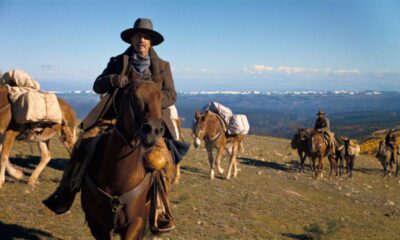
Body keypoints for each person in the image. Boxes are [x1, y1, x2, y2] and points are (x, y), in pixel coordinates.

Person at [43, 18, 189, 232]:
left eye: (146, 37)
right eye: (138, 35)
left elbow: (171, 95)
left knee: (164, 161)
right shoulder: (118, 60)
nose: (142, 39)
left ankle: (159, 209)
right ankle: (66, 191)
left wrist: (153, 99)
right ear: (132, 38)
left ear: (151, 42)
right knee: (83, 144)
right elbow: (97, 84)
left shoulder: (163, 66)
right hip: (116, 118)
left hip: (150, 121)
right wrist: (112, 80)